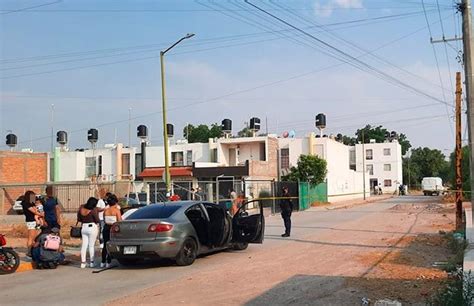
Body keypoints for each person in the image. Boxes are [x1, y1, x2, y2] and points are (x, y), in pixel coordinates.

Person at [77, 197, 100, 268]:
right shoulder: (92, 210)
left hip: (84, 227)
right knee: (91, 246)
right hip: (92, 227)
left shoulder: (81, 209)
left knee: (84, 245)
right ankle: (92, 262)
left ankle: (83, 263)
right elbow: (97, 220)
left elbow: (79, 219)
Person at [101, 194, 122, 268]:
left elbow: (104, 219)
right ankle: (109, 261)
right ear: (115, 202)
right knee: (111, 245)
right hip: (113, 227)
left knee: (105, 245)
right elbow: (119, 221)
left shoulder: (106, 211)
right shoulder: (117, 210)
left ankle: (103, 261)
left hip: (106, 227)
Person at [21, 191, 43, 257]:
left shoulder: (32, 203)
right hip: (31, 221)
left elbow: (36, 209)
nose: (34, 198)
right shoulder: (26, 203)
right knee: (31, 237)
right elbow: (34, 211)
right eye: (33, 196)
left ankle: (33, 251)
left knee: (35, 237)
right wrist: (41, 214)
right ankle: (29, 252)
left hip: (35, 221)